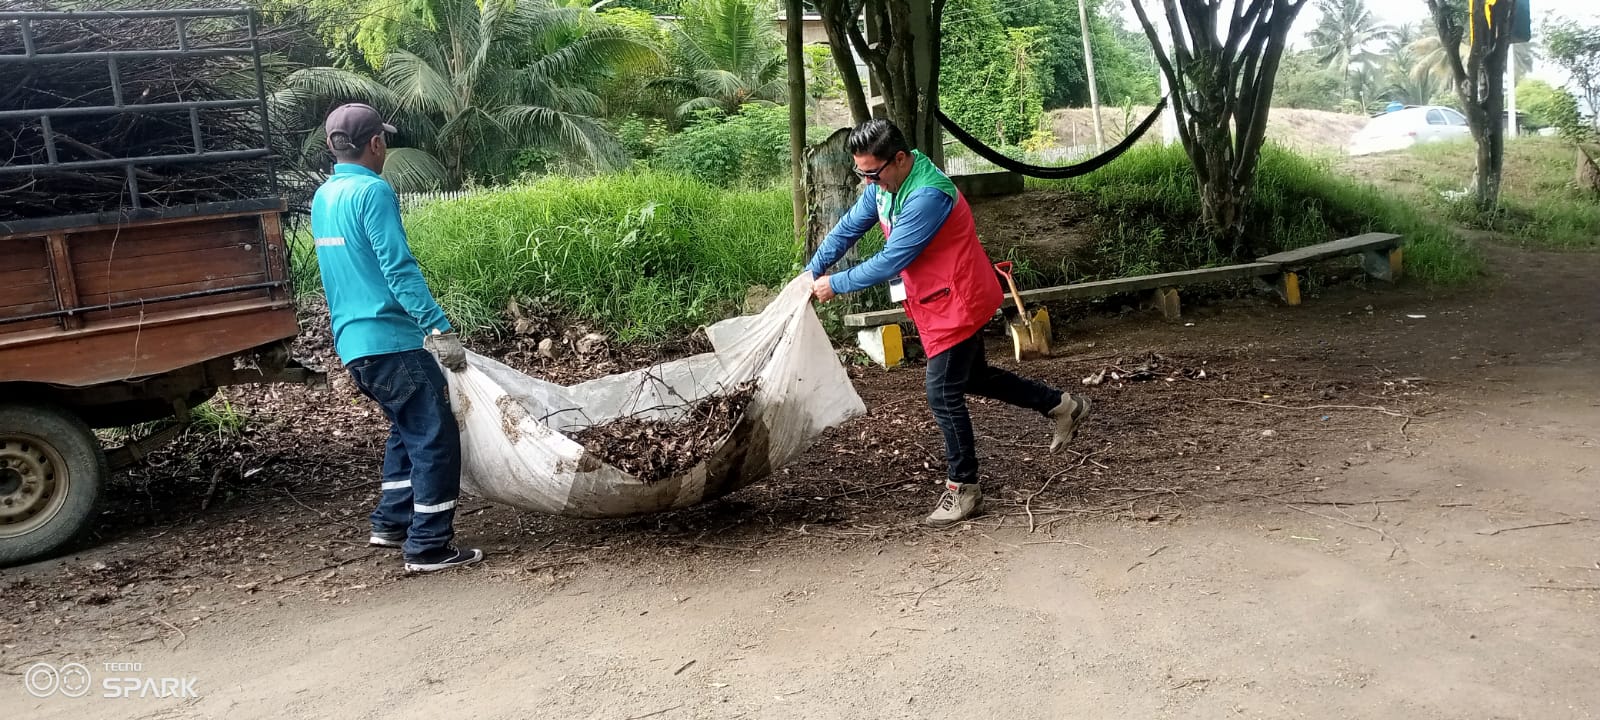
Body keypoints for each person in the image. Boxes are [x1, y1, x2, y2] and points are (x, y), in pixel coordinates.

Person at [803, 119, 1094, 527]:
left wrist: (835, 284)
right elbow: (848, 228)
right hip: (937, 302)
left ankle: (964, 488)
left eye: (872, 172)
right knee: (973, 377)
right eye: (861, 172)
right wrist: (811, 271)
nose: (867, 181)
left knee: (941, 391)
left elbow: (891, 260)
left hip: (958, 302)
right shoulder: (885, 186)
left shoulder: (927, 196)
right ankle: (1063, 406)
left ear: (899, 159)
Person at [310, 103, 484, 572]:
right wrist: (438, 327)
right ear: (375, 143)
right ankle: (428, 545)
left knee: (406, 429)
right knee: (435, 437)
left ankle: (391, 522)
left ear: (331, 145)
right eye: (383, 141)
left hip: (354, 345)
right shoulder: (373, 191)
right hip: (392, 341)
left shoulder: (324, 196)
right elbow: (398, 269)